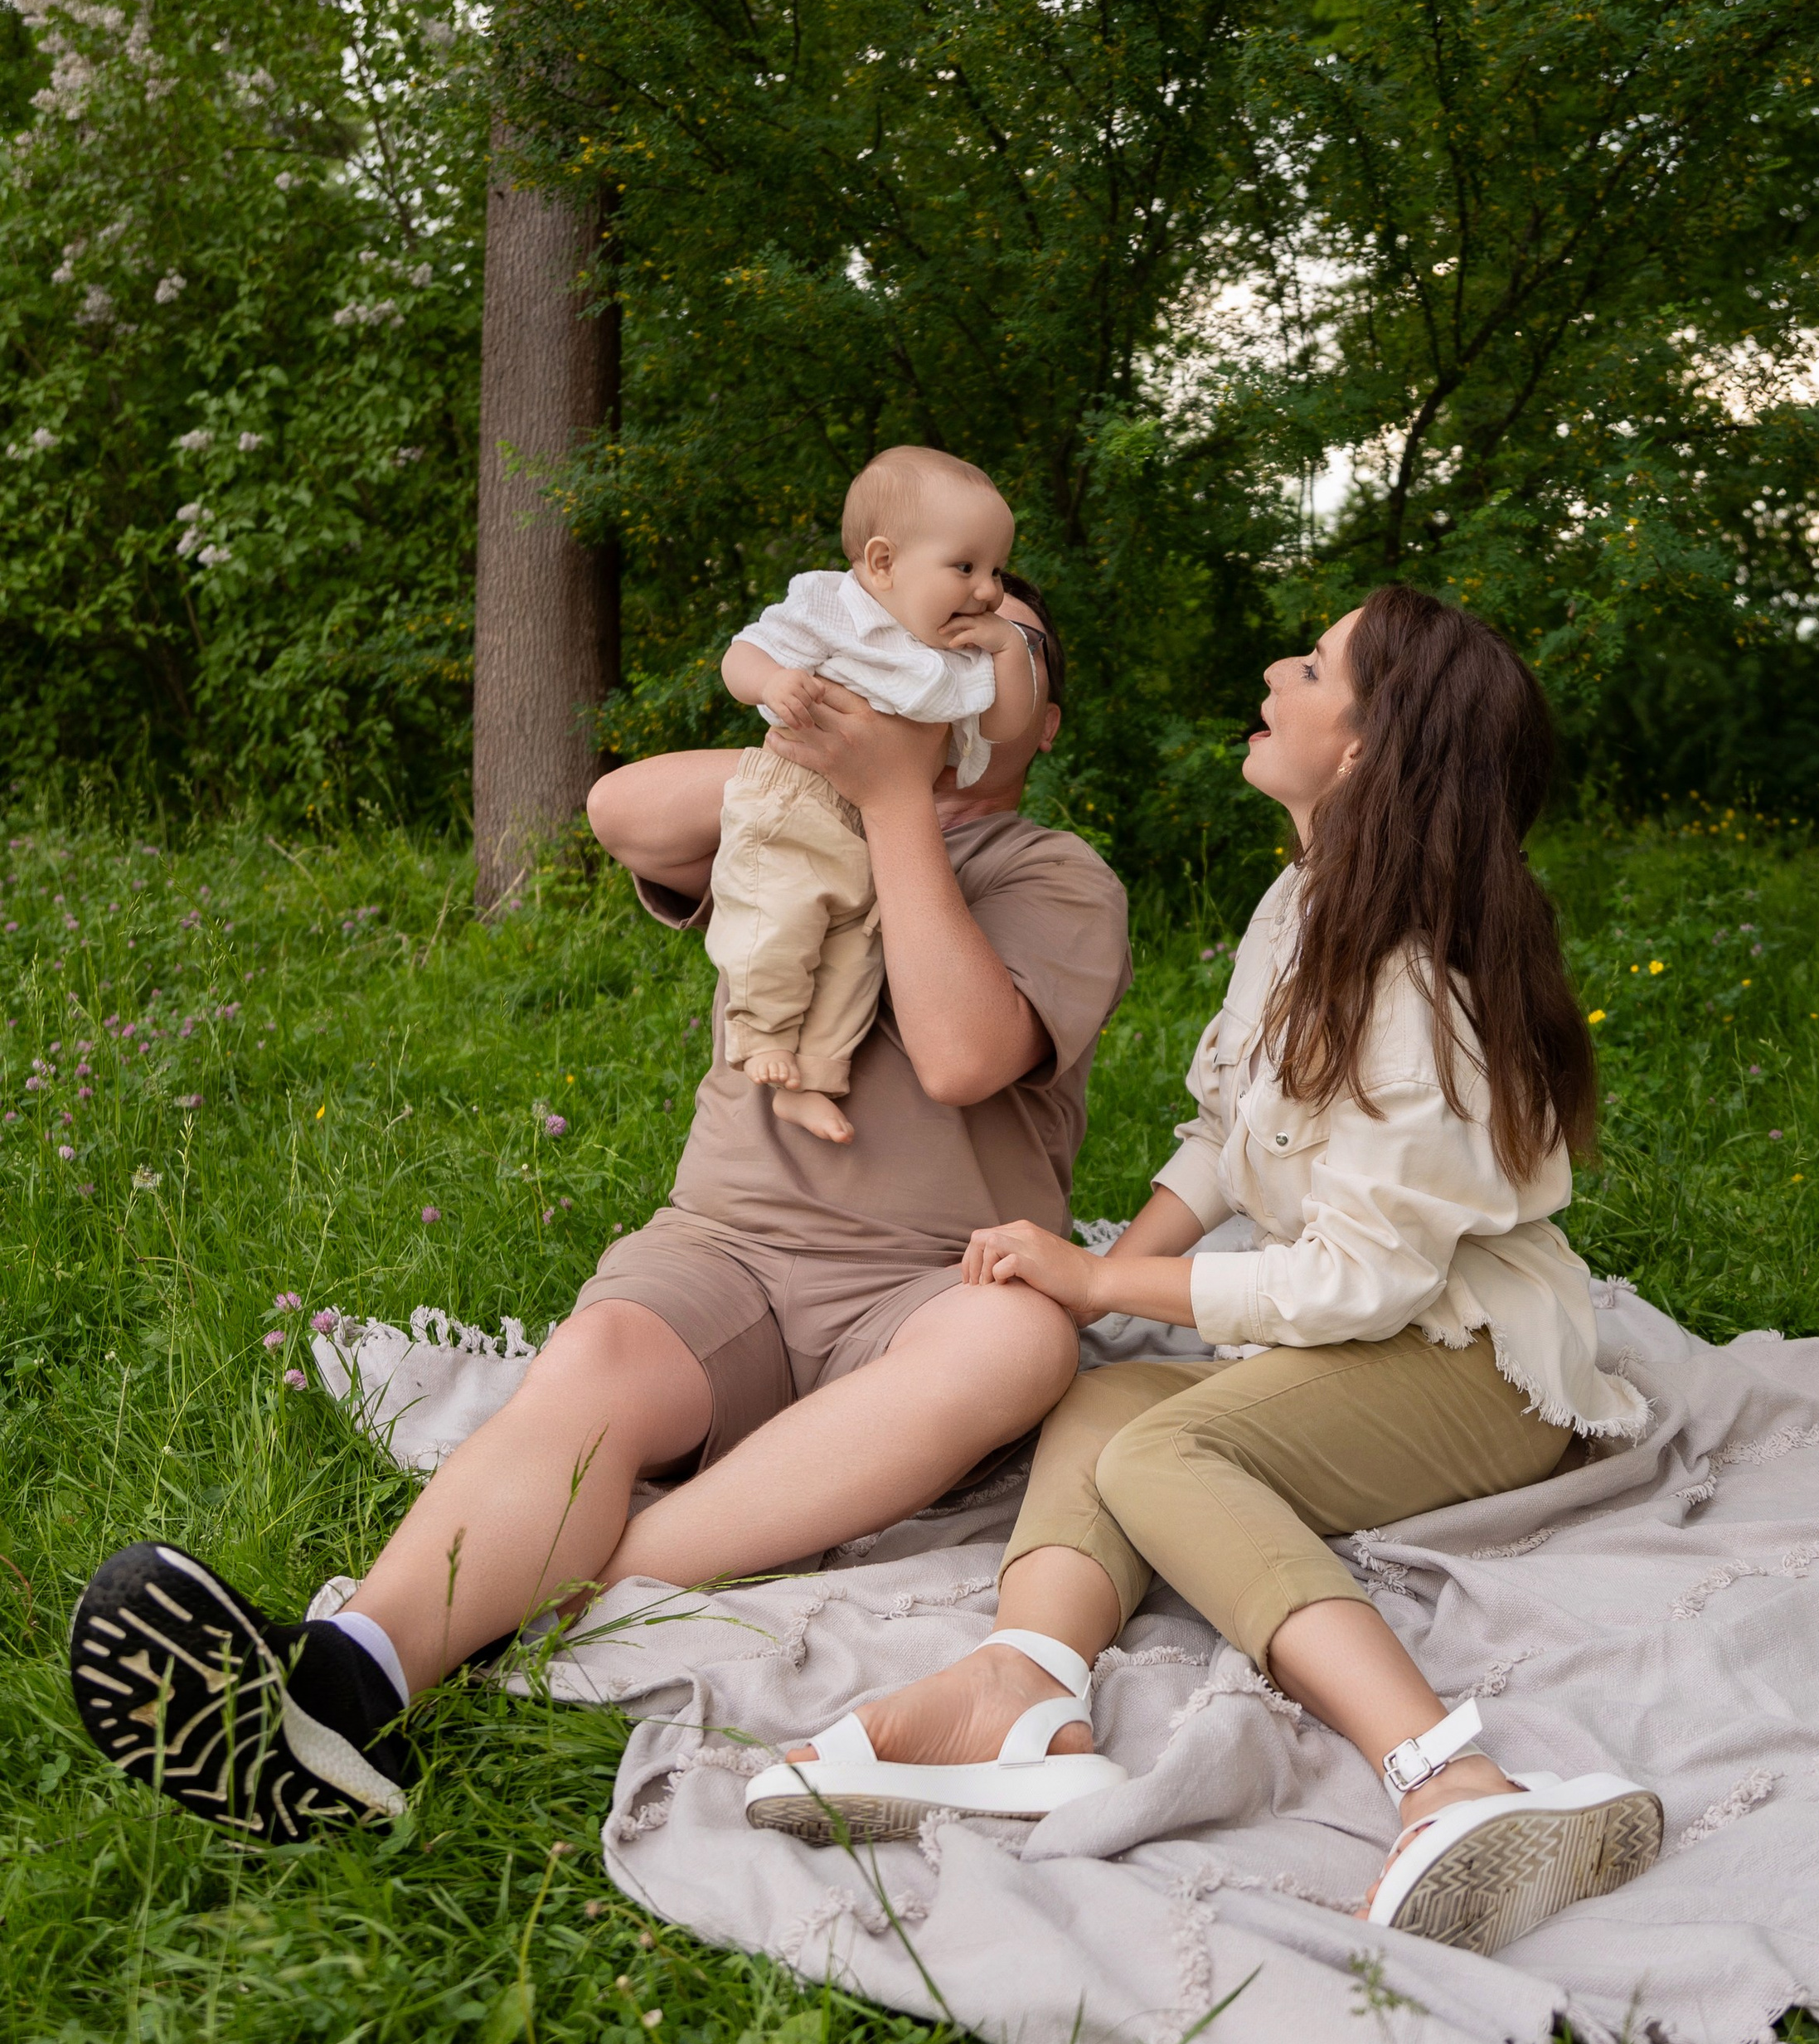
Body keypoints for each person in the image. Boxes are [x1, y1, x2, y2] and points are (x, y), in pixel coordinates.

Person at [68, 574, 1132, 1846]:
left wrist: (906, 796)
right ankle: (345, 1681)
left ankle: (554, 1586)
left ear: (1048, 723)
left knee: (1019, 1338)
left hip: (921, 1279)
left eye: (1002, 630)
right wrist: (824, 737)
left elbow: (963, 1057)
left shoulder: (1057, 876)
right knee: (597, 1359)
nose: (962, 626)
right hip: (729, 1247)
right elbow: (619, 810)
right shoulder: (792, 813)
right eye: (934, 616)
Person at [743, 586, 1665, 1958]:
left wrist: (1106, 1286)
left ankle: (1449, 1777)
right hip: (1376, 1324)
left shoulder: (1411, 985)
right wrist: (1096, 1272)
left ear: (1360, 748)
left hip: (1481, 1360)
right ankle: (1025, 1694)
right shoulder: (1304, 900)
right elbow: (1231, 1135)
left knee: (1167, 1459)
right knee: (1105, 1412)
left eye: (1311, 665)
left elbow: (1362, 1287)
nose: (1274, 674)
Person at [716, 446, 1045, 1143]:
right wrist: (771, 683)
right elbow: (740, 654)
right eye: (966, 567)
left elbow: (1009, 721)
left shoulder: (960, 656)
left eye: (995, 571)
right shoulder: (834, 610)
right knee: (778, 918)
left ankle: (813, 1075)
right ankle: (763, 1034)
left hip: (882, 832)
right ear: (884, 562)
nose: (987, 591)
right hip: (795, 799)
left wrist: (1010, 649)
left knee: (856, 957)